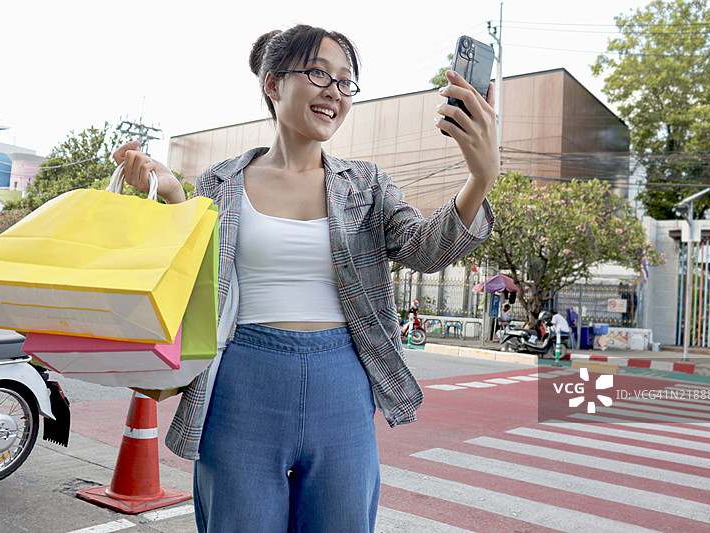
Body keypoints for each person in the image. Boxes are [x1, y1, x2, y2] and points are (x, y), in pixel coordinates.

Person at [113, 24, 498, 532]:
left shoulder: (365, 185)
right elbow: (197, 278)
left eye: (345, 81)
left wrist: (480, 177)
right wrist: (171, 194)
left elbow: (427, 251)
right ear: (273, 84)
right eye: (319, 74)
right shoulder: (220, 182)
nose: (334, 92)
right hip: (241, 383)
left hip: (342, 384)